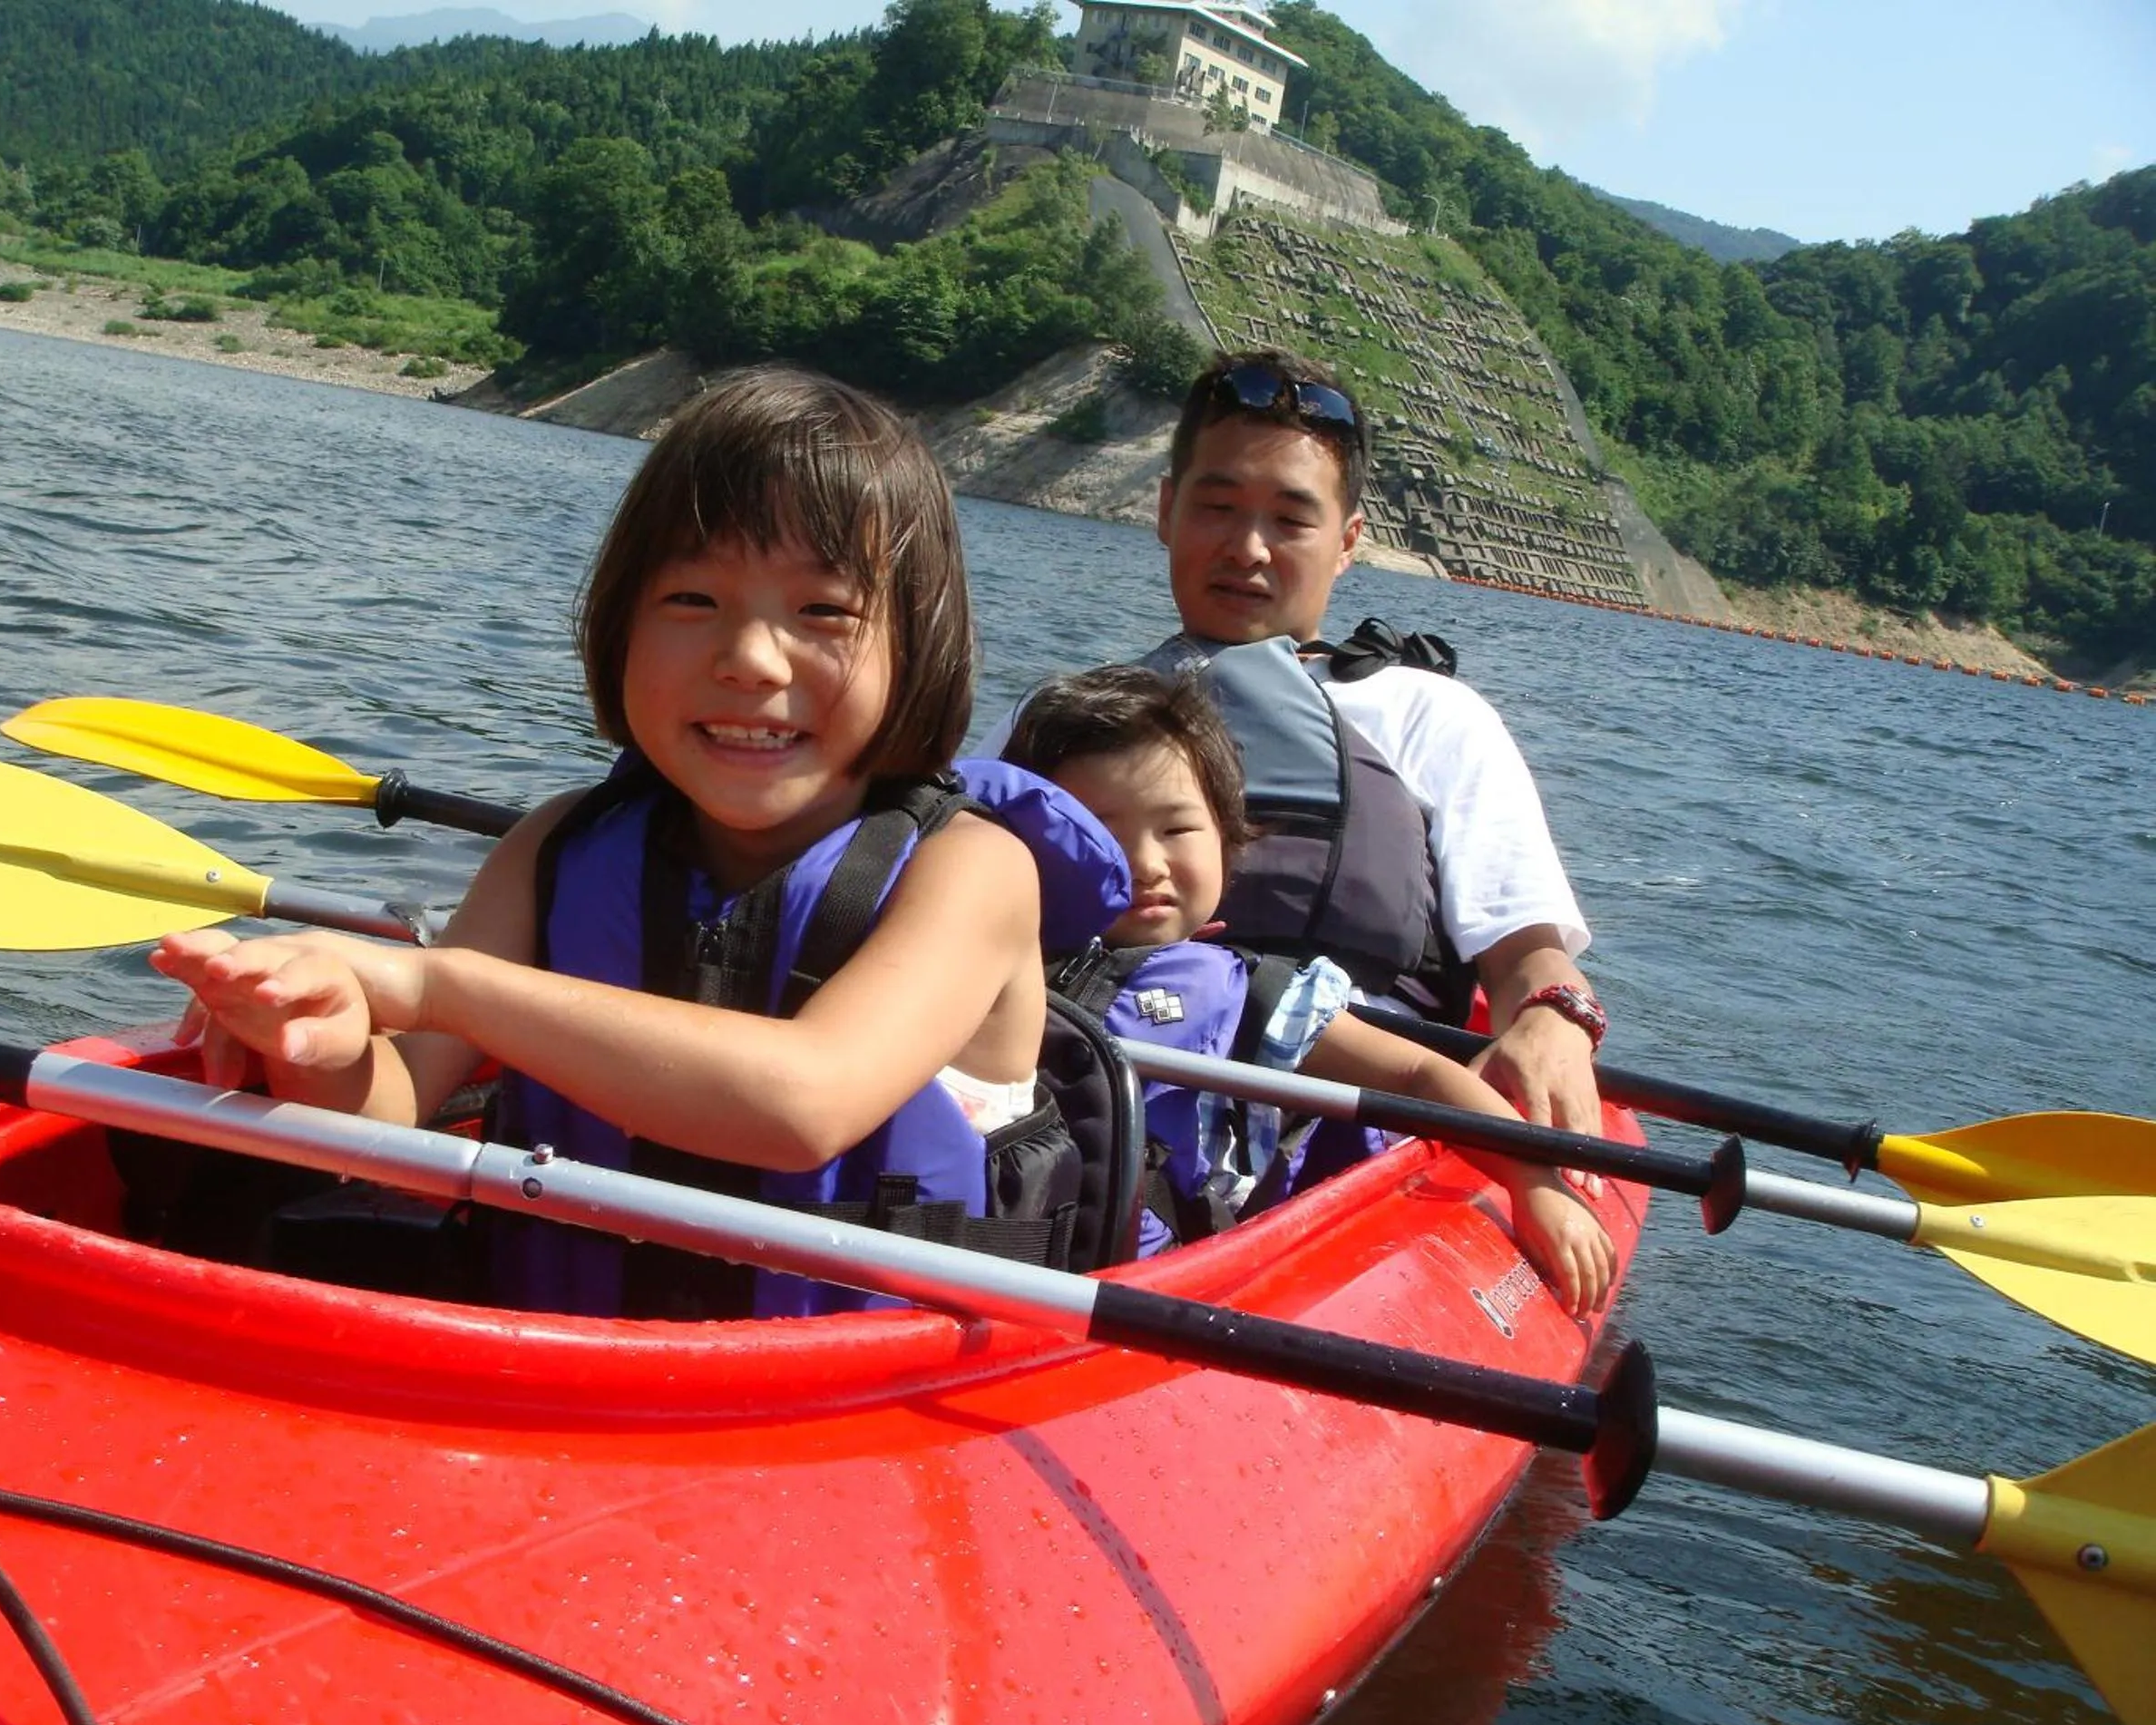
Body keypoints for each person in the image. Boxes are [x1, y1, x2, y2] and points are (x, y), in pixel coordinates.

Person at [150, 367, 1127, 1320]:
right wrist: (314, 1042)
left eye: (824, 611)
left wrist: (436, 984)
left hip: (855, 1393)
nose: (749, 660)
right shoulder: (557, 846)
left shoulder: (972, 871)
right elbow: (393, 1103)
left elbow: (806, 1105)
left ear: (917, 649)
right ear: (620, 627)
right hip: (555, 1362)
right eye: (692, 601)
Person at [980, 346, 1607, 1140]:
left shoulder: (1432, 718)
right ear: (1166, 511)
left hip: (1348, 1122)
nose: (1248, 548)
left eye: (1290, 520)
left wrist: (1555, 1018)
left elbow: (1527, 957)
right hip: (1088, 1087)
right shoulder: (1068, 716)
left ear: (1347, 541)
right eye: (1218, 507)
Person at [1003, 665, 1615, 1313]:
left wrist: (1535, 1182)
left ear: (1228, 840)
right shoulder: (994, 949)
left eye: (1177, 830)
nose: (1146, 863)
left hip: (1146, 1280)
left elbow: (1417, 1075)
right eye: (1101, 833)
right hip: (1008, 1248)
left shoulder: (1248, 992)